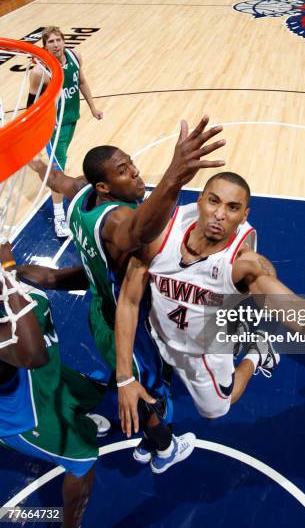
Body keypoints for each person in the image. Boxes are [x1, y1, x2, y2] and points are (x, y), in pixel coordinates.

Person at [30, 116, 225, 469]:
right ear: (104, 187)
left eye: (131, 163)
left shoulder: (80, 193)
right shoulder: (117, 221)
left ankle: (149, 429)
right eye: (124, 170)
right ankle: (163, 448)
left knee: (147, 382)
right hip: (127, 322)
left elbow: (54, 178)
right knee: (142, 392)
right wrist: (175, 175)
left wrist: (24, 150)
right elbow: (138, 230)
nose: (135, 172)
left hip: (101, 306)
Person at [116, 172, 287, 435]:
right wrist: (124, 377)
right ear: (199, 201)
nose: (219, 214)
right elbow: (128, 300)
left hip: (205, 350)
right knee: (161, 379)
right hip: (159, 332)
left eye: (232, 208)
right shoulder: (161, 235)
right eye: (213, 201)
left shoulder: (244, 261)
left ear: (244, 216)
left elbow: (294, 308)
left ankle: (257, 351)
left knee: (216, 410)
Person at [0, 243, 110, 528]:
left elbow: (59, 278)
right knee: (85, 461)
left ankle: (76, 417)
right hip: (24, 416)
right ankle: (69, 525)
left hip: (49, 376)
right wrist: (8, 279)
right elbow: (32, 354)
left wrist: (110, 264)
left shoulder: (15, 273)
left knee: (95, 393)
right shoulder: (8, 286)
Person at [28, 26, 103, 238]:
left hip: (71, 119)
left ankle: (36, 166)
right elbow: (30, 104)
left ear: (64, 41)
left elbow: (81, 82)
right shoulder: (39, 72)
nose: (55, 45)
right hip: (53, 127)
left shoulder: (75, 56)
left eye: (58, 40)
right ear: (44, 46)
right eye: (50, 42)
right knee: (58, 170)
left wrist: (92, 107)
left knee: (58, 163)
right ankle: (59, 216)